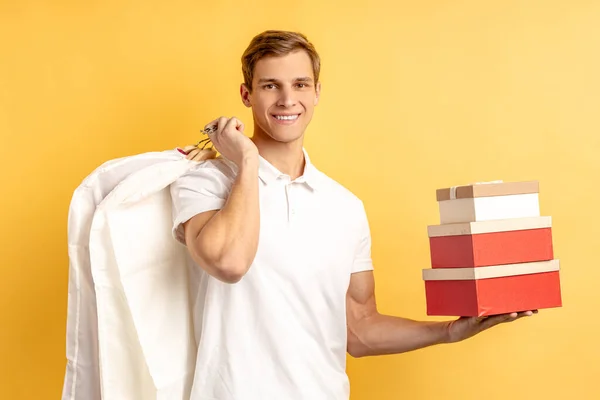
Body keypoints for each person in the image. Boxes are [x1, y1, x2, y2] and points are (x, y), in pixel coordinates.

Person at [169, 30, 536, 400]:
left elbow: (358, 330)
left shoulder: (344, 206)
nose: (287, 99)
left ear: (317, 93)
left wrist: (448, 332)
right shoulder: (205, 183)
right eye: (270, 86)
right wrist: (246, 160)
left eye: (300, 84)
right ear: (246, 95)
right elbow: (229, 263)